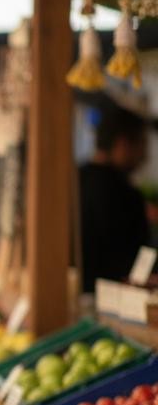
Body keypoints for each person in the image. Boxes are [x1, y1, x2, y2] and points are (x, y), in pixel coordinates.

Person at [79, 104, 151, 293]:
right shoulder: (126, 195)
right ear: (123, 143)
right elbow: (137, 271)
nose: (144, 157)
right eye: (141, 145)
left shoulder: (73, 181)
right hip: (116, 305)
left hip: (70, 295)